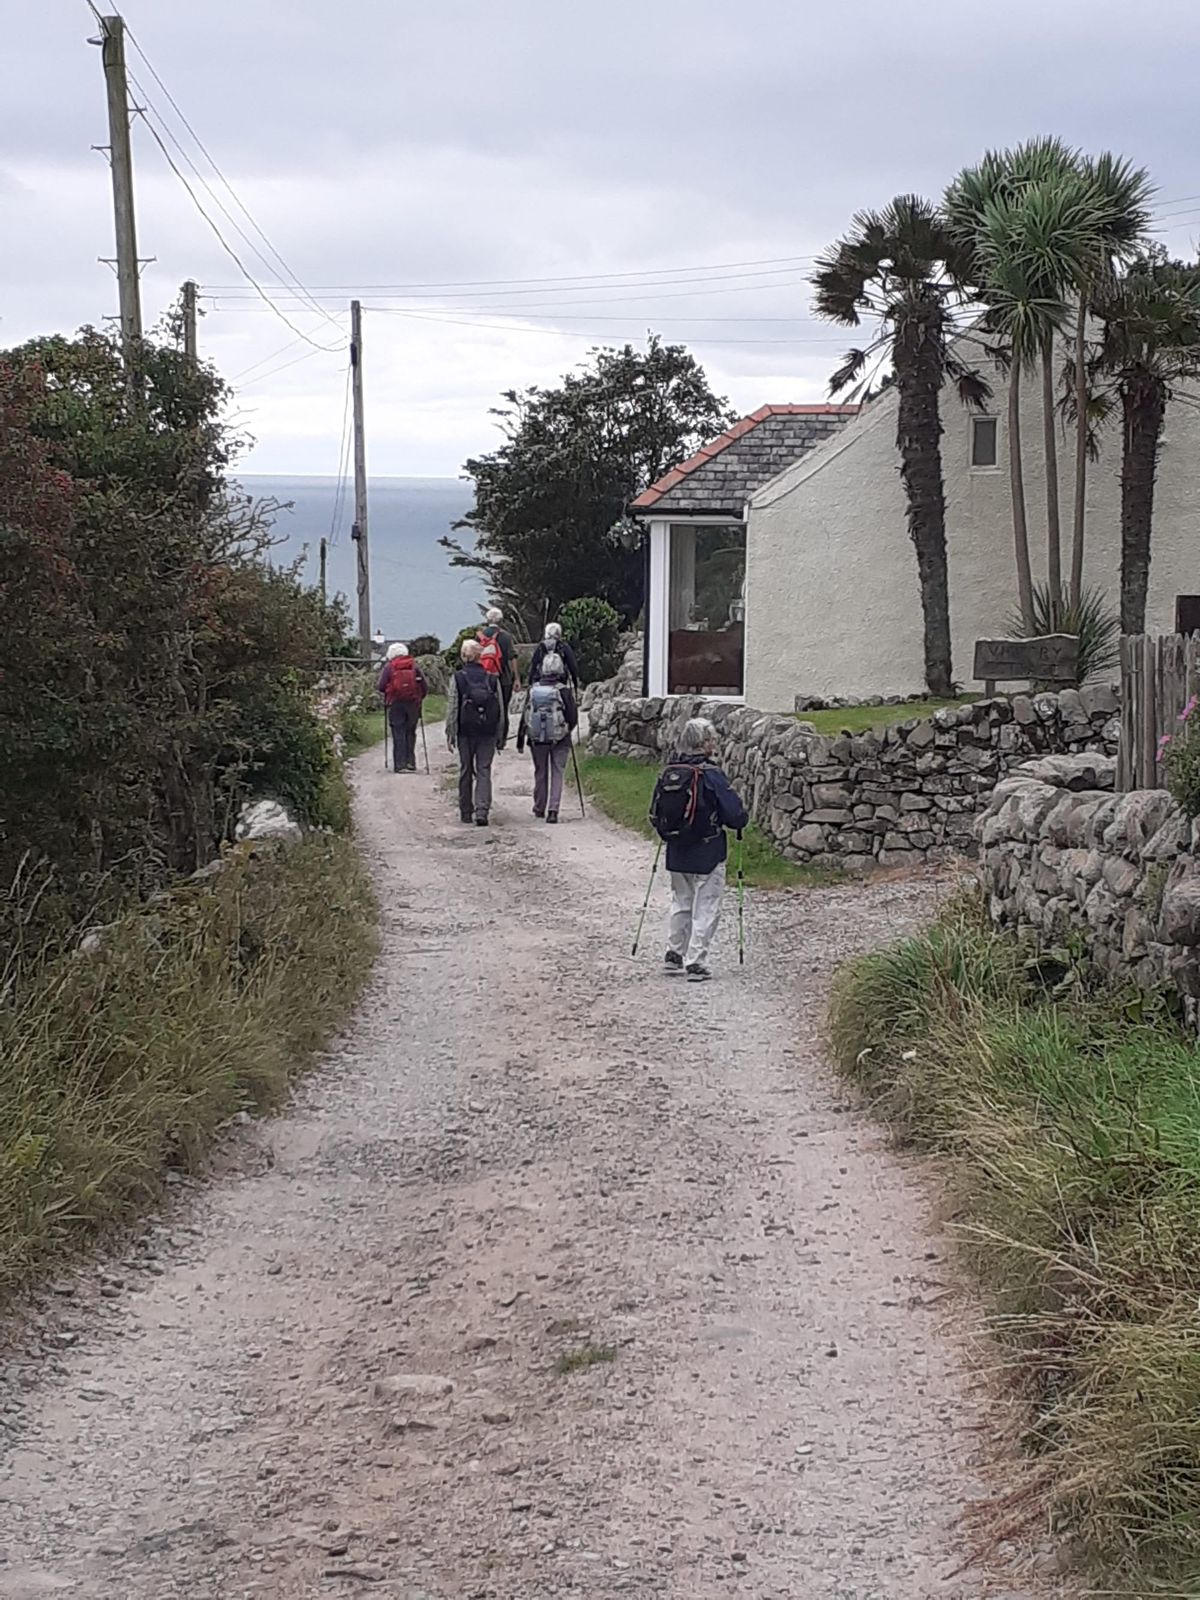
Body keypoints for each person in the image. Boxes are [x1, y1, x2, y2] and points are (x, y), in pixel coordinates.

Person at [652, 717, 748, 983]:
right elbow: (735, 814)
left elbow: (655, 812)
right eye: (712, 739)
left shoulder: (670, 772)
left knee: (680, 901)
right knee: (706, 904)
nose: (714, 744)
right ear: (704, 743)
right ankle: (695, 961)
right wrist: (741, 820)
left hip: (676, 849)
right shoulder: (710, 774)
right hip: (708, 849)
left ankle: (674, 953)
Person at [516, 646, 578, 823]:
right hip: (560, 739)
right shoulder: (564, 691)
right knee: (558, 772)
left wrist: (521, 740)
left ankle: (539, 807)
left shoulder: (533, 690)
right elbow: (573, 717)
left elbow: (525, 716)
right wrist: (565, 731)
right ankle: (553, 810)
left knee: (540, 771)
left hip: (537, 740)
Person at [446, 637, 503, 826]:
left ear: (463, 656)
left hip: (465, 731)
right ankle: (482, 811)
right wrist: (500, 735)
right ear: (480, 657)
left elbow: (453, 706)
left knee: (466, 769)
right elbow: (500, 709)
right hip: (487, 731)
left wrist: (451, 732)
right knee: (484, 769)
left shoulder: (458, 678)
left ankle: (465, 811)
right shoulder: (492, 679)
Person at [376, 642, 427, 773]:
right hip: (412, 704)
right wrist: (419, 698)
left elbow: (381, 686)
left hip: (395, 703)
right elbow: (424, 686)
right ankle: (411, 762)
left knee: (398, 732)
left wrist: (389, 692)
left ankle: (400, 764)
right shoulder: (414, 666)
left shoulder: (389, 667)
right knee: (410, 732)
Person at [478, 606, 520, 743]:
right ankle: (501, 739)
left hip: (484, 679)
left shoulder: (481, 635)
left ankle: (487, 737)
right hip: (504, 679)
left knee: (485, 708)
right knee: (503, 710)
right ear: (501, 621)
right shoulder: (506, 637)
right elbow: (513, 658)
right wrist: (517, 679)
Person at [529, 622, 580, 689]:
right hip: (559, 681)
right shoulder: (564, 647)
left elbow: (533, 665)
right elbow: (572, 665)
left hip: (541, 681)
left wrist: (530, 682)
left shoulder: (540, 647)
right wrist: (575, 682)